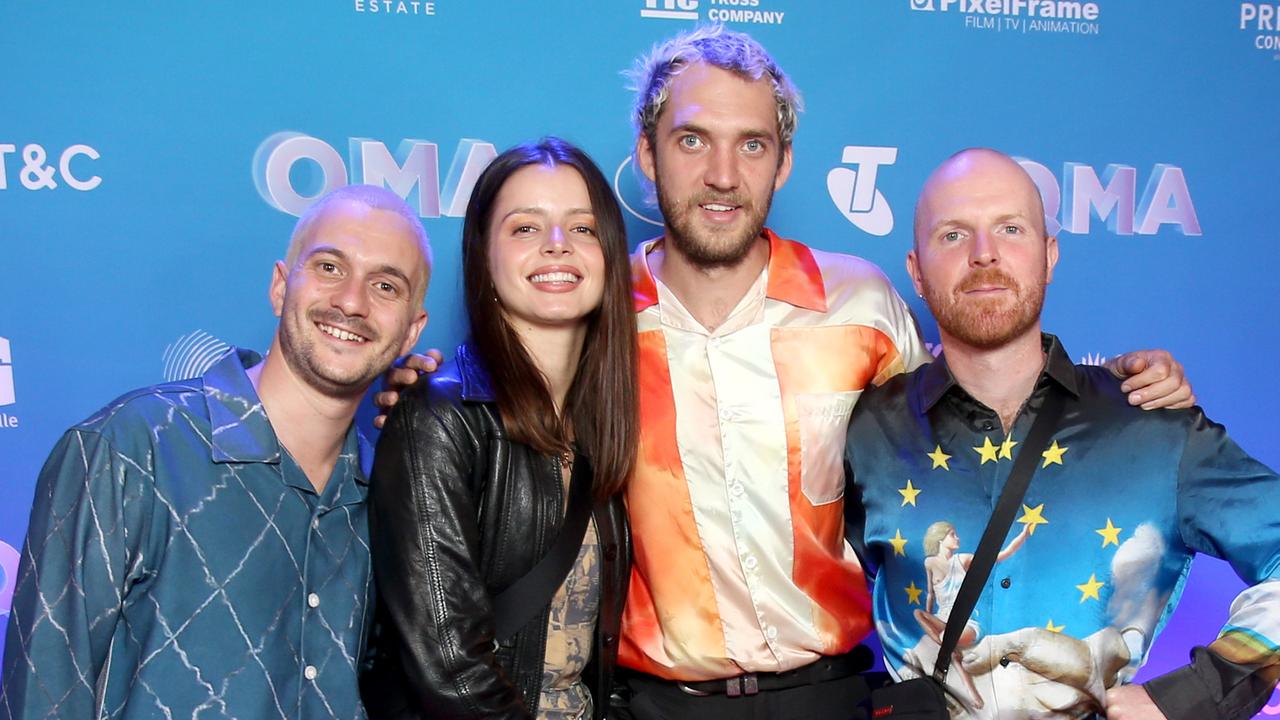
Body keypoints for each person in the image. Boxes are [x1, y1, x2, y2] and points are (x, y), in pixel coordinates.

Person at [378, 25, 1194, 720]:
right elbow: (506, 402)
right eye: (693, 140)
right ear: (647, 154)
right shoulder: (596, 313)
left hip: (834, 693)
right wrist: (421, 389)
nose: (723, 175)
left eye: (752, 144)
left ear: (785, 162)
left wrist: (1118, 390)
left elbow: (986, 410)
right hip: (657, 704)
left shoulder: (862, 303)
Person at [845, 148, 1280, 719]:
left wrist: (1192, 698)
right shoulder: (866, 431)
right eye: (953, 234)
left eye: (1010, 228)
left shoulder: (1152, 424)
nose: (984, 255)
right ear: (916, 271)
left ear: (1049, 255)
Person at [0, 184, 432, 719]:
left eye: (386, 285)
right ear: (280, 287)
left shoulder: (395, 491)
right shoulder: (131, 449)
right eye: (328, 267)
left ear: (412, 329)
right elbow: (44, 693)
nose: (351, 301)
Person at [359, 138, 638, 720]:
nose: (557, 245)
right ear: (483, 257)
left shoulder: (602, 422)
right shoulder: (437, 417)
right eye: (525, 228)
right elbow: (450, 671)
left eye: (582, 229)